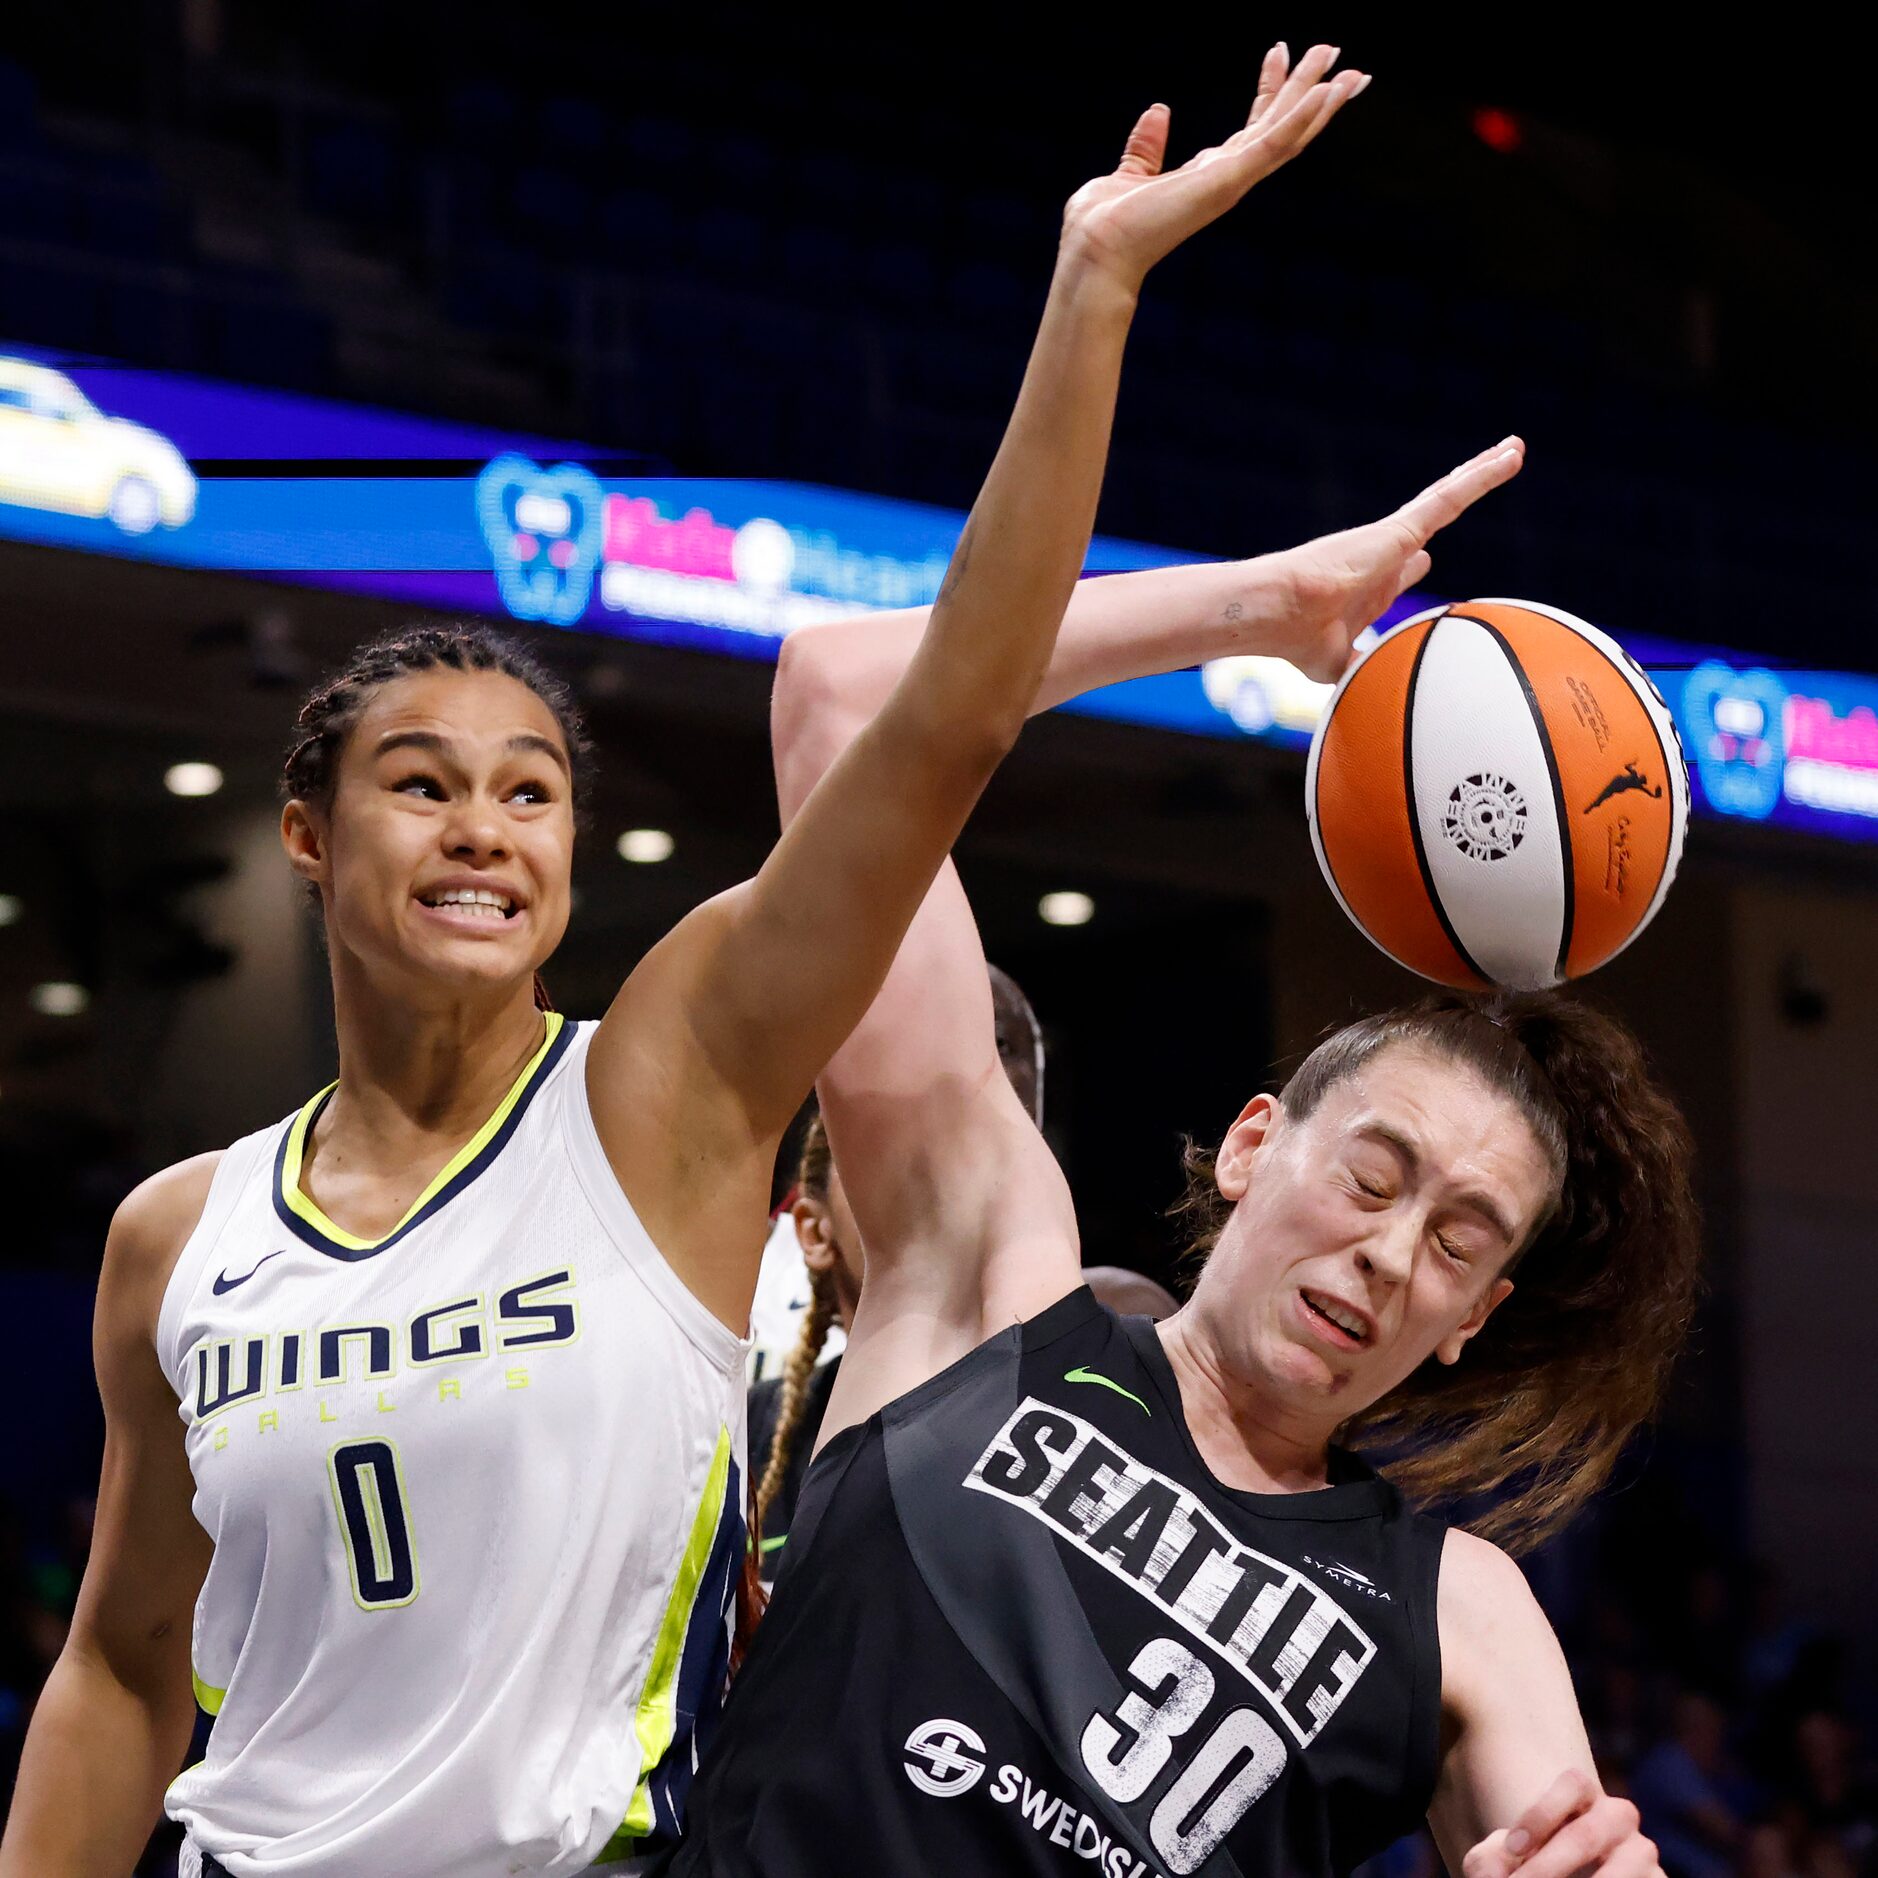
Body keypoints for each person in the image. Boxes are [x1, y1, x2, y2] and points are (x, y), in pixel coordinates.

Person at [0, 50, 1369, 1878]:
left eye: (532, 792)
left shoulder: (669, 1085)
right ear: (309, 836)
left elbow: (940, 714)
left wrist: (1091, 295)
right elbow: (115, 1666)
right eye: (421, 785)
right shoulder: (175, 1239)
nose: (485, 827)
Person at [661, 135, 1699, 1878]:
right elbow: (841, 695)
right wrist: (1262, 609)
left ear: (1470, 1318)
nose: (1388, 1255)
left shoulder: (1457, 1611)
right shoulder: (991, 1278)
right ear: (1250, 1147)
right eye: (1371, 1177)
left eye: (1454, 1242)